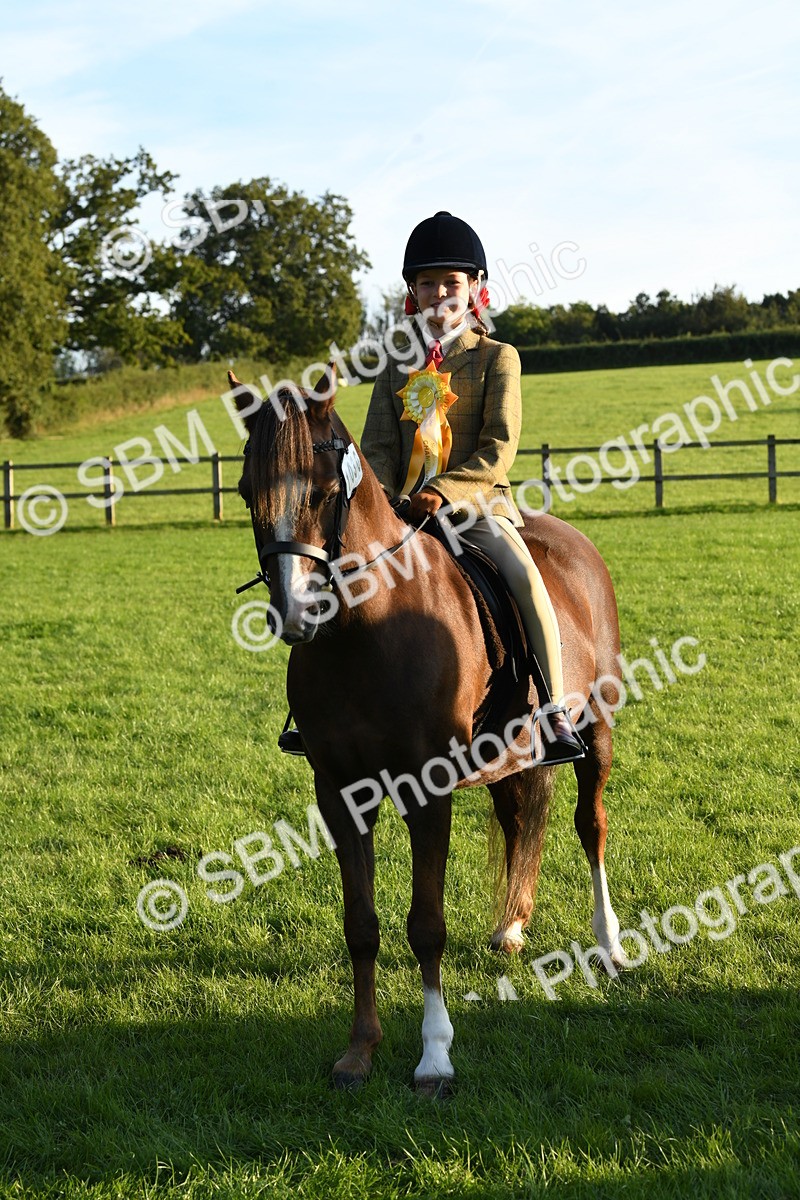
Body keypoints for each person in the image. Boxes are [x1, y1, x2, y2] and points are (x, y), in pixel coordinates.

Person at [360, 210, 583, 763]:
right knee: (336, 576)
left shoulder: (496, 359)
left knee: (524, 574)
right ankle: (323, 711)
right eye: (428, 283)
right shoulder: (395, 363)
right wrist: (387, 500)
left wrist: (444, 491)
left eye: (451, 284)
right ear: (412, 290)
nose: (440, 294)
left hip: (476, 507)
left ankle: (553, 710)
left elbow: (498, 447)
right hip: (403, 510)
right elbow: (380, 448)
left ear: (474, 289)